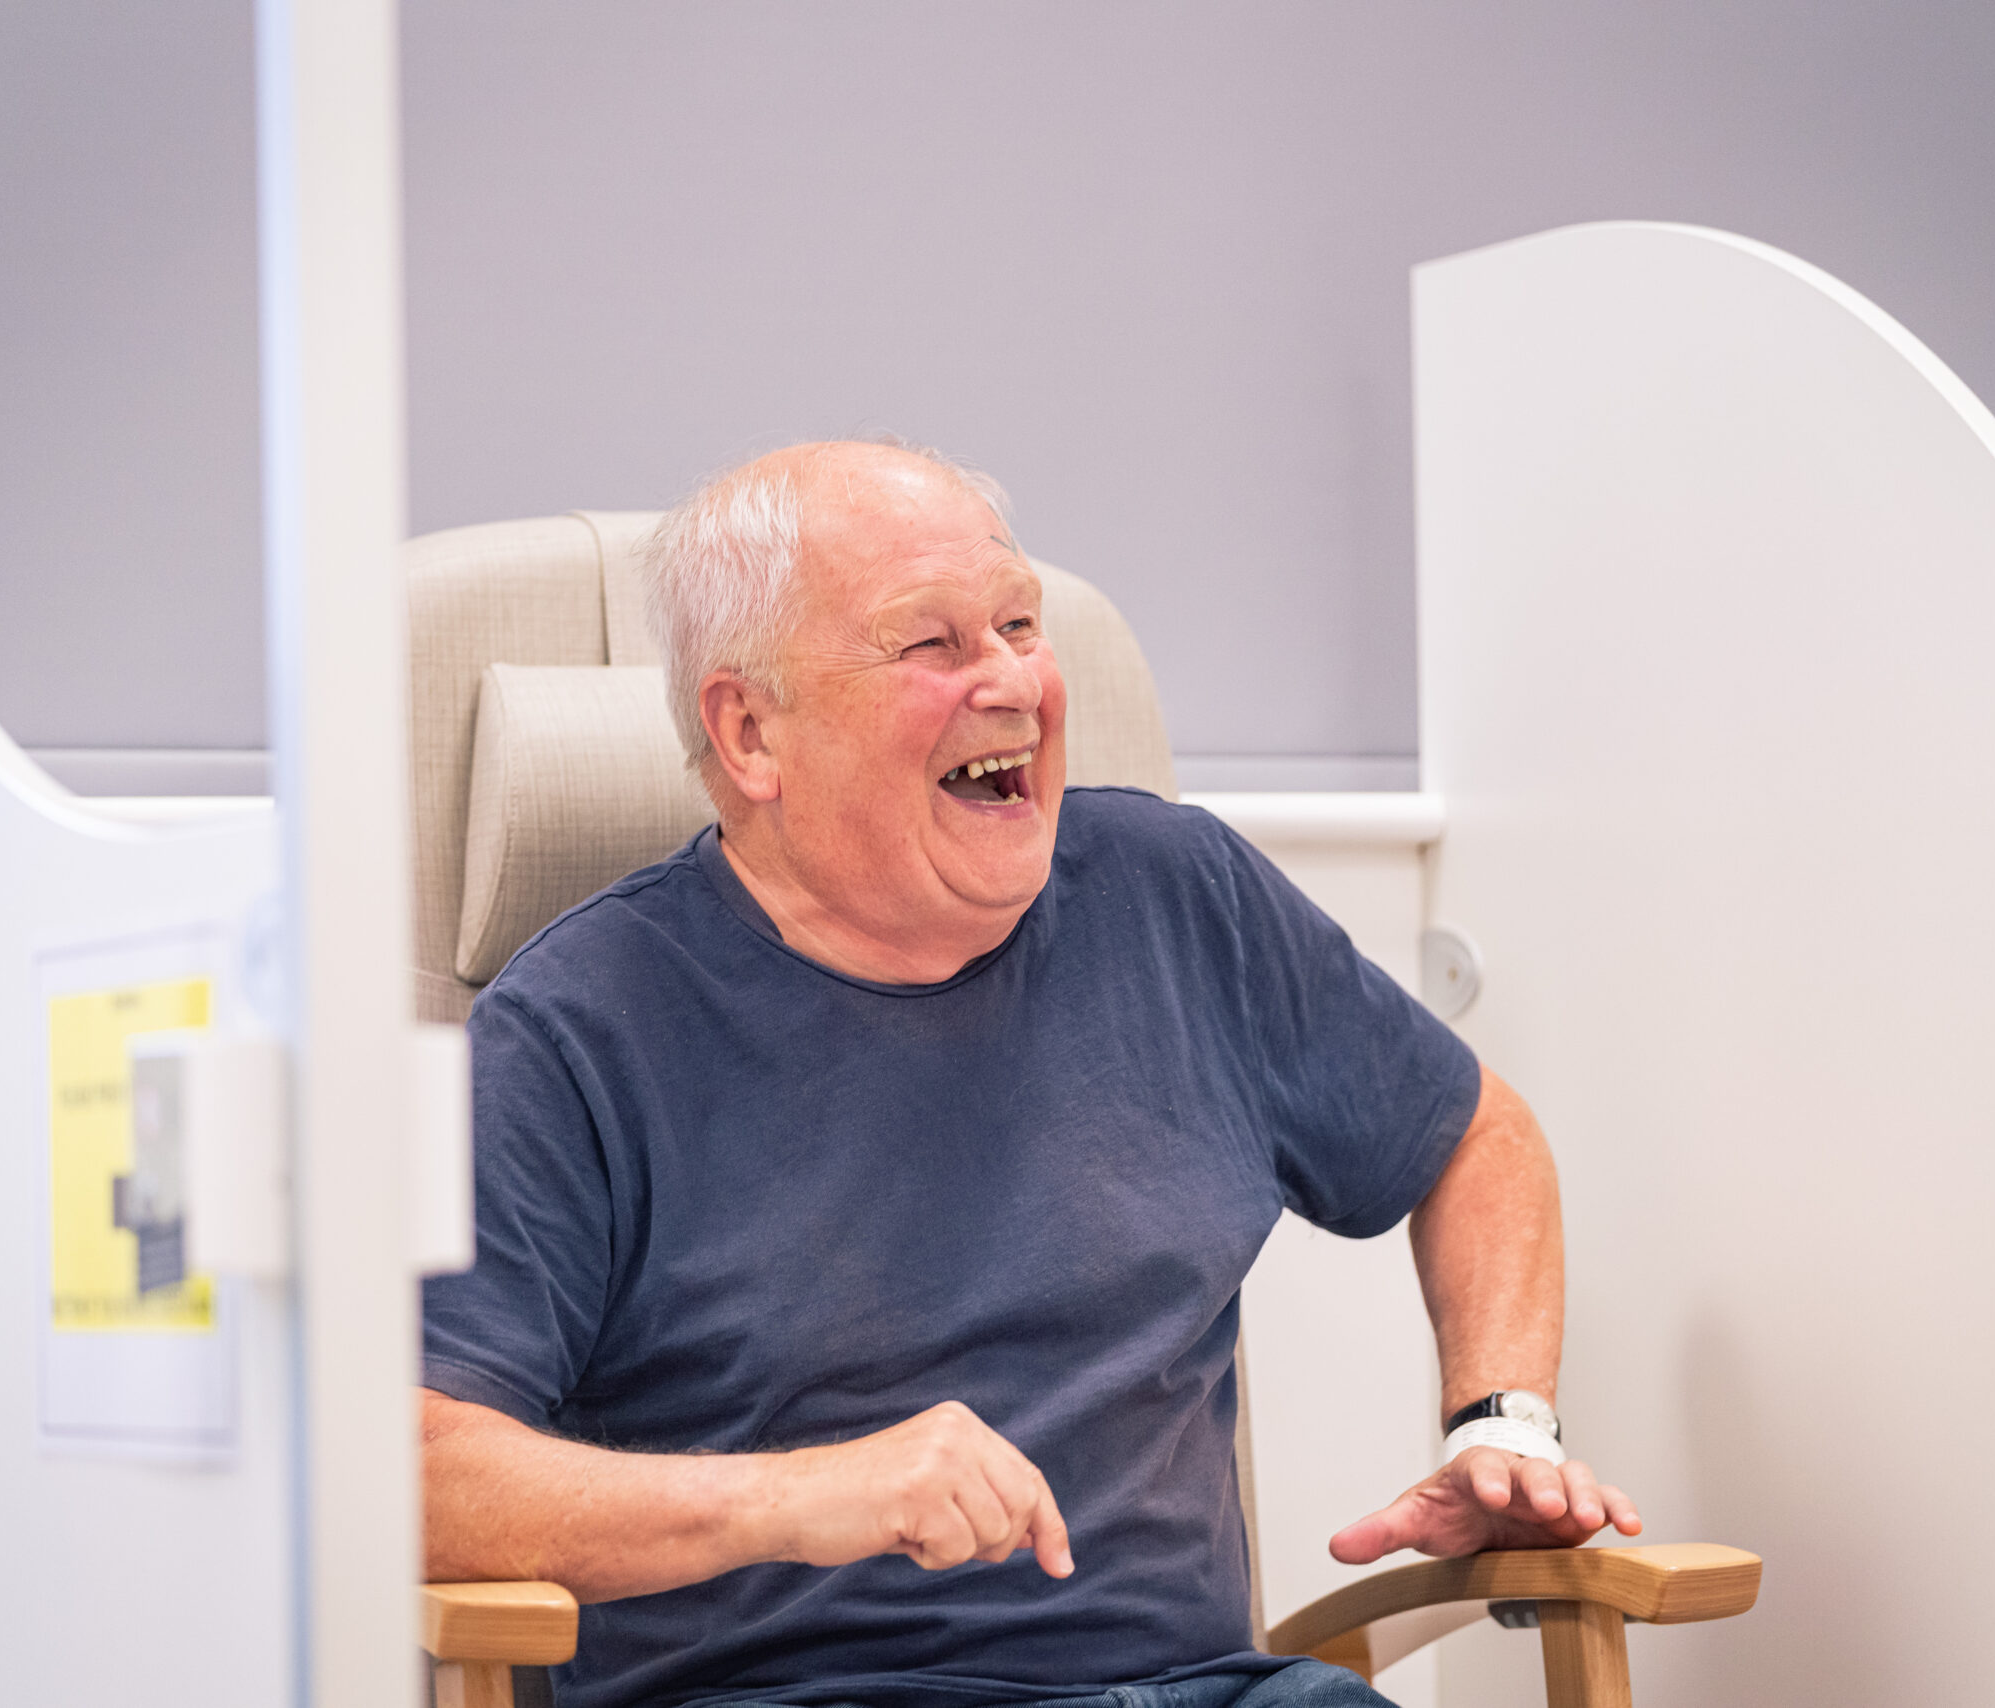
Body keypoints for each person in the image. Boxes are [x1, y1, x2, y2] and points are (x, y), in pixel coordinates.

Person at [419, 441, 1640, 1708]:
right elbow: (413, 1467)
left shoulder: (1178, 897)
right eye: (934, 644)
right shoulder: (577, 1026)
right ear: (749, 730)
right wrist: (791, 1496)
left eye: (1018, 625)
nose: (1013, 682)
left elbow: (1473, 1132)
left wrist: (1501, 1420)